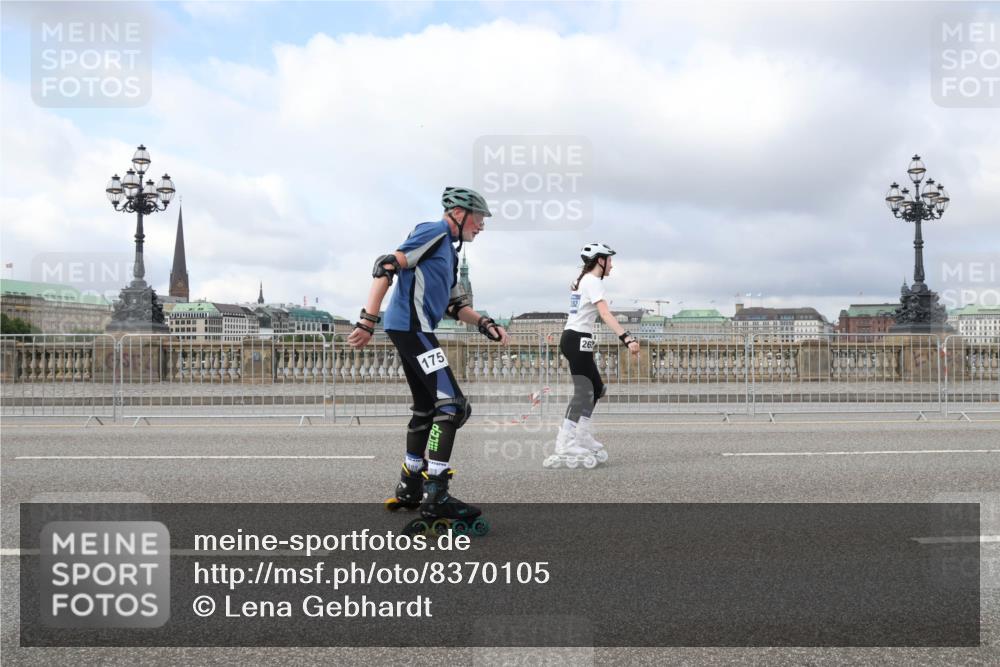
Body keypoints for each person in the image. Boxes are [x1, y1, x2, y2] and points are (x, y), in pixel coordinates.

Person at [347, 187, 510, 532]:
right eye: (479, 219)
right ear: (459, 213)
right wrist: (367, 320)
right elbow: (386, 265)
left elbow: (455, 306)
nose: (481, 226)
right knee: (452, 405)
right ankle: (436, 492)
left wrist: (484, 323)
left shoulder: (448, 253)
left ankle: (410, 483)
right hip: (413, 328)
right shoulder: (433, 231)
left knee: (426, 407)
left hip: (412, 329)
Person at [544, 243, 640, 469]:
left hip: (578, 339)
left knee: (596, 389)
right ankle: (565, 442)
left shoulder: (583, 280)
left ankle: (582, 435)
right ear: (600, 260)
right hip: (576, 339)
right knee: (583, 392)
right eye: (609, 260)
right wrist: (627, 338)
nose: (612, 265)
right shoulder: (593, 281)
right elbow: (605, 313)